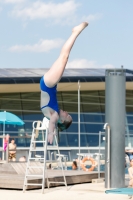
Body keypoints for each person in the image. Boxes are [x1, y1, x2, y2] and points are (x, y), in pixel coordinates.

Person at [40, 22, 88, 144]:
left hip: (48, 84)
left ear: (61, 120)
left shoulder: (54, 115)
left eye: (67, 116)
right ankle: (75, 33)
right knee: (63, 56)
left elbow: (51, 122)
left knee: (64, 56)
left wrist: (51, 132)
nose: (67, 113)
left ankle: (75, 32)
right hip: (49, 84)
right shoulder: (52, 113)